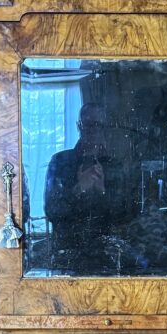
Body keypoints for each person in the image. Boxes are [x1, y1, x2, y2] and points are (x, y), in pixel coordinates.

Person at [44, 102, 137, 273]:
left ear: (105, 128)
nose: (94, 130)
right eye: (89, 124)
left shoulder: (114, 167)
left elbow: (125, 216)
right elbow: (52, 211)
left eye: (99, 125)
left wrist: (102, 190)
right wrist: (79, 188)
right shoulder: (60, 162)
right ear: (79, 125)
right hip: (67, 255)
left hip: (108, 254)